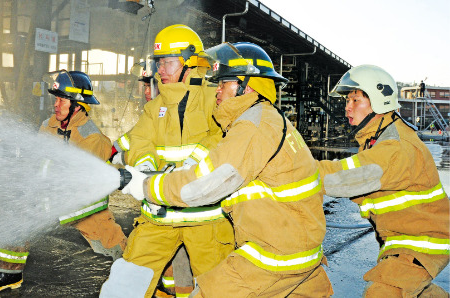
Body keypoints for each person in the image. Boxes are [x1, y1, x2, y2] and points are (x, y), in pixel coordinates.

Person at [119, 42, 334, 297]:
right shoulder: (264, 118)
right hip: (292, 251)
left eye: (224, 83)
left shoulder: (252, 126)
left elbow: (205, 183)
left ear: (247, 85)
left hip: (272, 258)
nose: (217, 90)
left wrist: (145, 186)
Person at [100, 25, 234, 298]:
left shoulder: (215, 98)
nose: (160, 70)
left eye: (168, 62)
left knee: (221, 290)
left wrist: (193, 165)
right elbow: (140, 141)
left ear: (190, 64)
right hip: (158, 217)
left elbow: (225, 137)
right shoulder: (153, 108)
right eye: (159, 62)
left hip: (205, 219)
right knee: (124, 288)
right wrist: (147, 171)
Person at [0, 70, 127, 294]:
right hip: (48, 198)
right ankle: (9, 273)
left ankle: (141, 270)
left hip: (82, 205)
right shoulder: (48, 125)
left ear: (78, 105)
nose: (56, 105)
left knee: (112, 243)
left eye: (61, 100)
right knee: (17, 216)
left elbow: (78, 181)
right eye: (55, 99)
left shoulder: (92, 138)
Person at [318, 65, 449, 296]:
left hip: (421, 243)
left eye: (355, 100)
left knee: (383, 290)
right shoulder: (379, 137)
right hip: (405, 239)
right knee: (417, 292)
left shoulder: (396, 147)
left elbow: (343, 177)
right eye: (347, 100)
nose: (347, 107)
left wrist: (292, 168)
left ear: (379, 102)